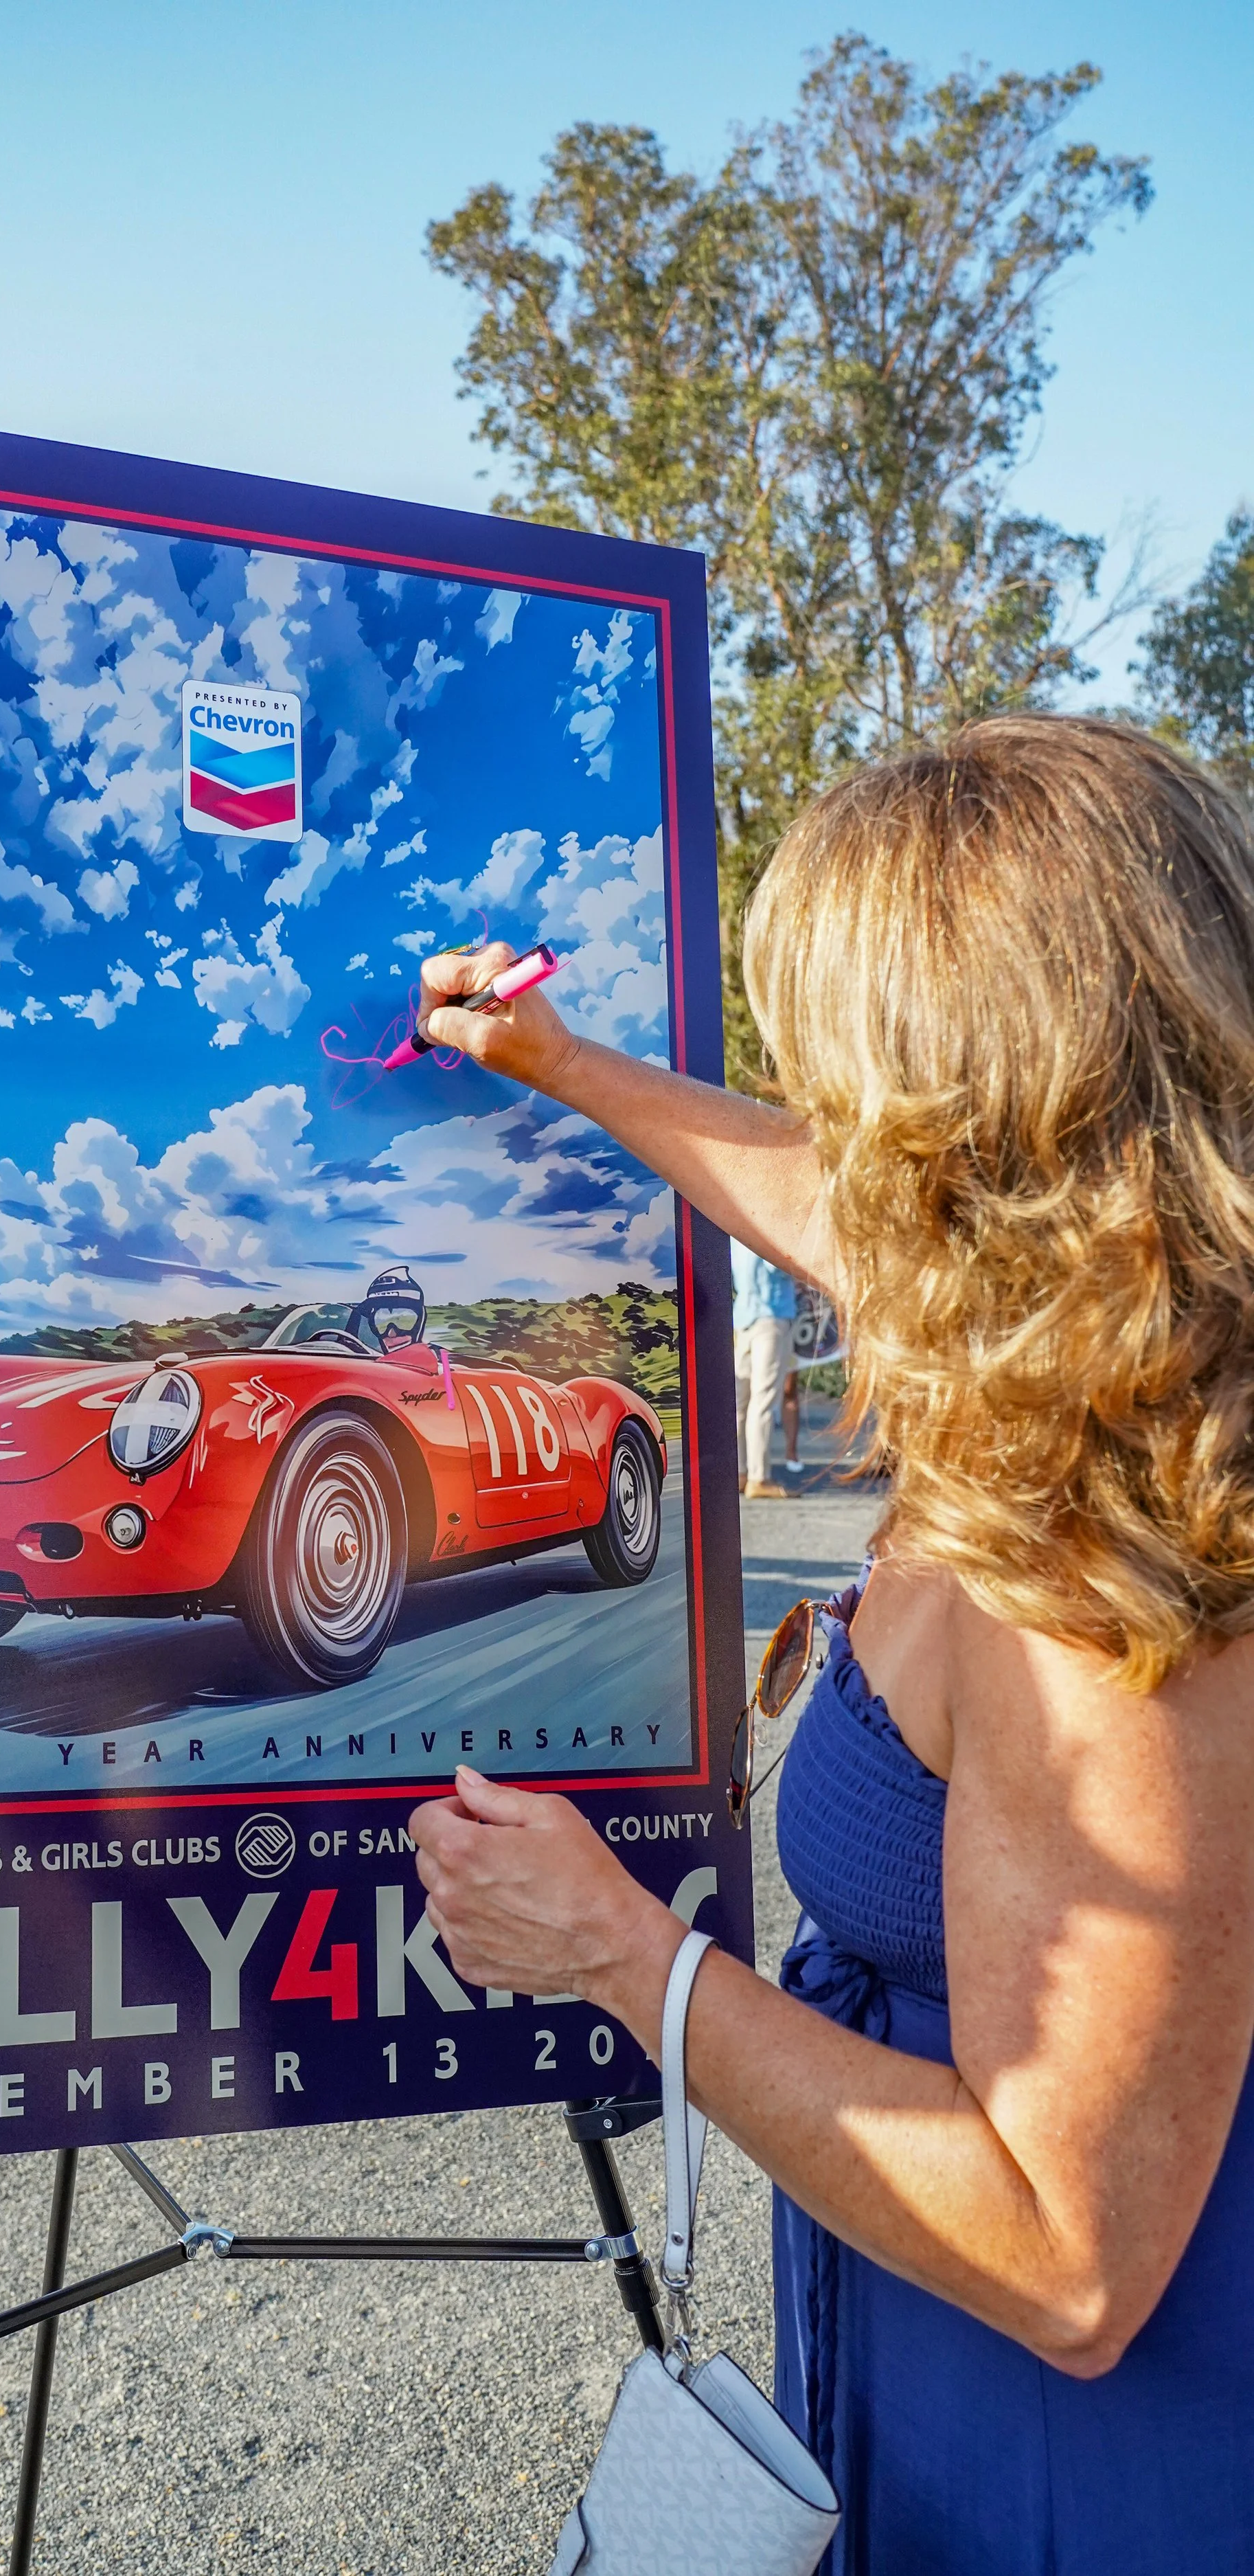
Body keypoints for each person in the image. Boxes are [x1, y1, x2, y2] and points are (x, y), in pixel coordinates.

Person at [407, 718, 1254, 2573]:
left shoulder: (1097, 1557)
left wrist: (620, 1956)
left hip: (1093, 2451)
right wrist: (565, 1065)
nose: (823, 1118)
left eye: (844, 1074)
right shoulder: (1118, 1343)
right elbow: (807, 1196)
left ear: (967, 1112)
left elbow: (1069, 2256)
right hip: (960, 2354)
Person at [731, 1237, 798, 1496]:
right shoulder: (769, 1231)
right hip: (772, 1314)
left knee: (740, 1403)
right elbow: (779, 1266)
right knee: (764, 1400)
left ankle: (740, 1472)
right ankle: (760, 1477)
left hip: (744, 1317)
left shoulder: (737, 1236)